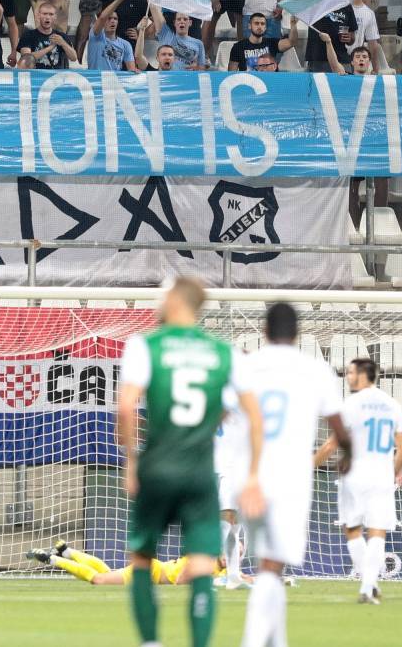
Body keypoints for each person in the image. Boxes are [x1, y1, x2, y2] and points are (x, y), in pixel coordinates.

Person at [117, 276, 261, 647]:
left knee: (143, 558)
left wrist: (131, 461)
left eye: (161, 296)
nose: (156, 302)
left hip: (158, 468)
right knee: (200, 566)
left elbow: (126, 406)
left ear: (177, 301)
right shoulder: (224, 352)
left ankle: (151, 642)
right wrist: (254, 475)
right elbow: (252, 416)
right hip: (200, 474)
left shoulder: (145, 345)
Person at [238, 303, 349, 647]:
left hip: (250, 476)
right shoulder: (315, 370)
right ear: (298, 333)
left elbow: (222, 414)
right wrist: (348, 454)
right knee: (272, 566)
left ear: (264, 331)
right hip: (290, 479)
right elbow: (338, 424)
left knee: (270, 563)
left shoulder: (246, 367)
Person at [312, 357, 402, 605]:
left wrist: (310, 465)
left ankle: (368, 583)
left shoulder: (351, 404)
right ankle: (369, 585)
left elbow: (333, 443)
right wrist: (393, 471)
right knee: (377, 531)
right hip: (381, 474)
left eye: (352, 372)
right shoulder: (392, 404)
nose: (348, 376)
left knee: (352, 529)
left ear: (364, 375)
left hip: (354, 473)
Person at [27, 539, 191, 586]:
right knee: (99, 580)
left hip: (153, 568)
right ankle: (53, 559)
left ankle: (67, 552)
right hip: (151, 572)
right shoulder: (209, 562)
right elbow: (179, 580)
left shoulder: (210, 559)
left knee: (106, 574)